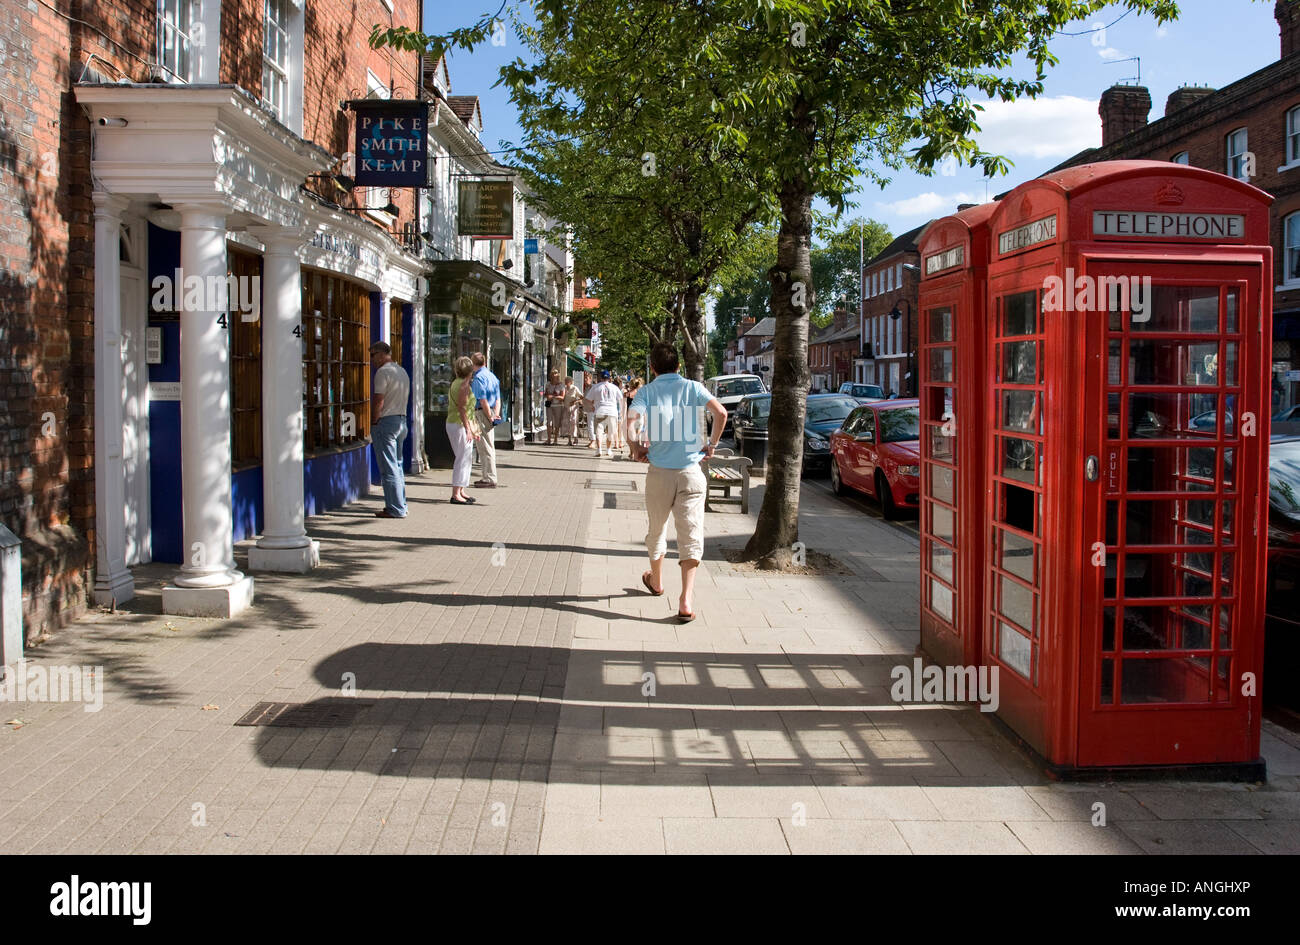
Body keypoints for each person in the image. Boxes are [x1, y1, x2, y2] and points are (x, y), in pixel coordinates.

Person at [627, 343, 727, 622]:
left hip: (659, 472)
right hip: (691, 472)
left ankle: (657, 582)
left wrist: (636, 448)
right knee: (691, 533)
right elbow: (721, 413)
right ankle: (686, 600)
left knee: (656, 530)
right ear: (679, 366)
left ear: (653, 368)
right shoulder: (694, 388)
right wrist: (711, 445)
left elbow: (631, 419)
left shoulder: (647, 391)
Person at [369, 342, 410, 519]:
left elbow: (379, 399)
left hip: (386, 422)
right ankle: (400, 504)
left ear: (381, 354)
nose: (371, 360)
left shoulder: (383, 372)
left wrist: (374, 420)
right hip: (401, 421)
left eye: (372, 355)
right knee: (398, 465)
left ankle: (395, 508)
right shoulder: (401, 371)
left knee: (388, 467)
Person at [446, 356, 480, 505]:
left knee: (466, 458)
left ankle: (461, 489)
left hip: (457, 423)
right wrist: (469, 429)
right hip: (459, 424)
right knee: (462, 459)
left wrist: (473, 428)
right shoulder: (463, 386)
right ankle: (455, 493)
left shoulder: (458, 383)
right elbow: (463, 408)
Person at [470, 352, 501, 487]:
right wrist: (495, 415)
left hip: (483, 413)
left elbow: (482, 400)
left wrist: (489, 416)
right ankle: (488, 476)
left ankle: (489, 477)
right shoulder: (492, 376)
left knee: (485, 446)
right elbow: (498, 399)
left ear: (473, 363)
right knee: (489, 445)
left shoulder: (478, 378)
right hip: (491, 411)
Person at [584, 369, 623, 457]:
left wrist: (592, 406)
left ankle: (599, 449)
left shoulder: (596, 387)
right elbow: (620, 399)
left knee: (599, 431)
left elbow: (587, 399)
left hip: (599, 410)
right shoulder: (614, 387)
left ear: (600, 378)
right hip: (612, 411)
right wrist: (621, 411)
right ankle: (608, 450)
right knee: (610, 432)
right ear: (609, 378)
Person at [543, 370, 566, 445]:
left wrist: (552, 396)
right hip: (549, 405)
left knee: (557, 422)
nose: (554, 377)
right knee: (548, 422)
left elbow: (562, 397)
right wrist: (547, 396)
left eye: (555, 375)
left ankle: (555, 439)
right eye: (552, 375)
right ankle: (549, 439)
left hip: (558, 406)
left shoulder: (561, 385)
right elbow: (545, 394)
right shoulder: (548, 384)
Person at [562, 375, 582, 446]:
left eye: (566, 381)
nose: (565, 382)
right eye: (565, 381)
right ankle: (569, 440)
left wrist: (575, 402)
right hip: (566, 407)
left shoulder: (574, 388)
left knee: (574, 423)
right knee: (567, 423)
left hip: (573, 408)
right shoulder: (564, 388)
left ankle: (575, 439)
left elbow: (581, 397)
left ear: (570, 382)